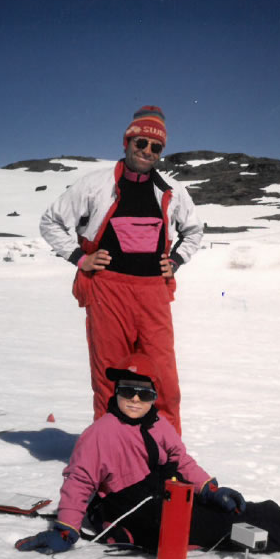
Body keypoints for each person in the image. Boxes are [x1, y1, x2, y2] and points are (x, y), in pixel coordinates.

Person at [15, 353, 280, 558]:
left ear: (153, 397)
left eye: (143, 393)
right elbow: (78, 482)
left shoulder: (159, 424)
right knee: (226, 528)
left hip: (167, 492)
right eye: (127, 391)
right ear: (116, 392)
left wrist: (210, 489)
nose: (135, 400)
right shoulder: (100, 434)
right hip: (134, 511)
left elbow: (181, 461)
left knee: (238, 509)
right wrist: (66, 529)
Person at [39, 106, 203, 435]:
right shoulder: (94, 185)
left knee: (163, 377)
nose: (147, 151)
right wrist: (79, 258)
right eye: (141, 143)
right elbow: (51, 222)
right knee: (110, 375)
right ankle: (110, 453)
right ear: (127, 142)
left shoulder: (171, 191)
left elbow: (194, 231)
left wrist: (175, 261)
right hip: (107, 290)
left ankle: (165, 454)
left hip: (153, 293)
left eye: (156, 147)